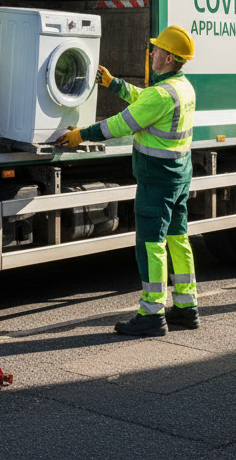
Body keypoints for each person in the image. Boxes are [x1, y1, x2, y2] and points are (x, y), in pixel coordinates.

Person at [55, 25, 197, 336]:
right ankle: (187, 307)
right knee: (177, 238)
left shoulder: (162, 94)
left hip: (157, 180)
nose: (152, 53)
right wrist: (115, 85)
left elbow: (120, 124)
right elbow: (145, 100)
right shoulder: (182, 87)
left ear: (170, 58)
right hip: (178, 175)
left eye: (157, 50)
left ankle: (152, 313)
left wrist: (81, 134)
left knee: (151, 245)